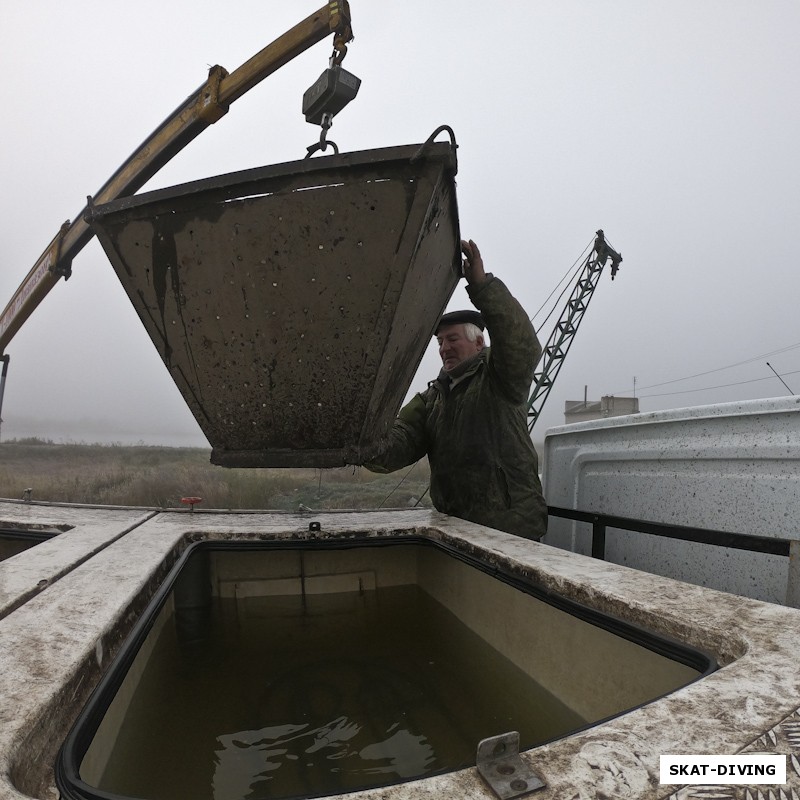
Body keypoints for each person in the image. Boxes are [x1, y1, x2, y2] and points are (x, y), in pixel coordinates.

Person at [366, 239, 548, 540]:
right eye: (439, 342)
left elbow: (523, 345)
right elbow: (397, 446)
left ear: (479, 343)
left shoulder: (500, 379)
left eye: (452, 339)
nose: (444, 348)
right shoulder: (431, 400)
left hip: (510, 531)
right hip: (455, 530)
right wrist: (362, 441)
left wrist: (482, 288)